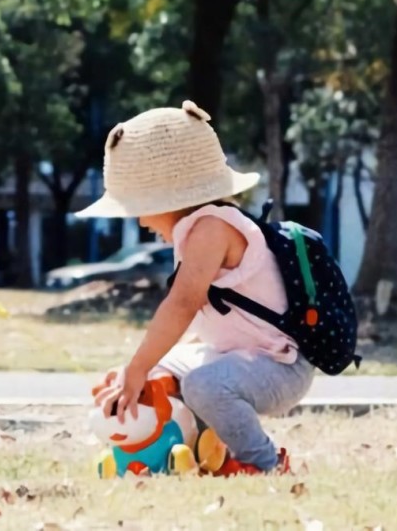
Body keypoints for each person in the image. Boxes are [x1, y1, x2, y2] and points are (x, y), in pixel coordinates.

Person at [83, 101, 314, 475]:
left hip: (279, 368)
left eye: (138, 206)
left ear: (168, 196)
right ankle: (196, 450)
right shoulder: (198, 231)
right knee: (158, 375)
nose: (139, 220)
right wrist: (142, 371)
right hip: (239, 358)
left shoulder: (213, 228)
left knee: (200, 385)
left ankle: (265, 463)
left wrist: (137, 367)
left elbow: (182, 304)